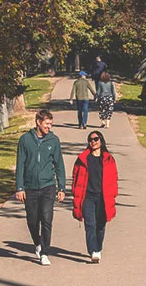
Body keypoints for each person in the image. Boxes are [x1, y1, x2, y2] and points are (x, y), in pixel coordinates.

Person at [15, 109, 66, 266]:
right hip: (29, 187)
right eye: (47, 124)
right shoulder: (25, 140)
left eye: (51, 124)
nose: (49, 127)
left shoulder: (54, 141)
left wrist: (61, 187)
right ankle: (37, 243)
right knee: (32, 220)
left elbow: (59, 165)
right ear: (38, 122)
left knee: (46, 218)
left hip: (48, 186)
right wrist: (19, 187)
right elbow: (20, 165)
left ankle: (44, 252)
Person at [71, 131, 118, 263]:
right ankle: (93, 250)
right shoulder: (83, 159)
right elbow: (75, 177)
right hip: (88, 197)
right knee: (90, 224)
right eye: (90, 139)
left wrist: (114, 193)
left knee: (101, 225)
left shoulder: (109, 159)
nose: (93, 141)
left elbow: (114, 178)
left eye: (96, 139)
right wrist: (75, 193)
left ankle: (98, 247)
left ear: (101, 141)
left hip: (103, 197)